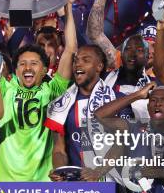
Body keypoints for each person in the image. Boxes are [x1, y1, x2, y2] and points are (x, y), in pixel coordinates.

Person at [0, 0, 78, 181]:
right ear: (16, 68)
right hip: (6, 181)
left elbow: (70, 49)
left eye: (34, 64)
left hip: (44, 180)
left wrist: (69, 8)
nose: (28, 68)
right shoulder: (5, 88)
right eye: (22, 64)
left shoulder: (52, 89)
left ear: (45, 70)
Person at [93, 86, 164, 193]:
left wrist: (163, 174)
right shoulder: (133, 129)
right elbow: (100, 115)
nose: (158, 104)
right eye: (153, 100)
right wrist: (138, 95)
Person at [45, 44, 130, 180]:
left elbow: (122, 144)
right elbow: (59, 149)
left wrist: (98, 172)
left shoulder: (117, 100)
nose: (78, 64)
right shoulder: (62, 105)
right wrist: (59, 170)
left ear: (99, 67)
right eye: (76, 60)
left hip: (109, 184)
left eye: (85, 60)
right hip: (76, 184)